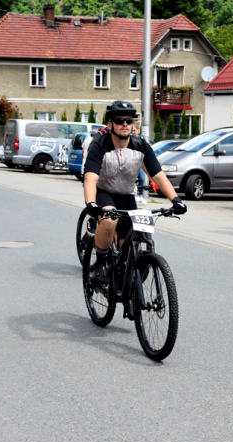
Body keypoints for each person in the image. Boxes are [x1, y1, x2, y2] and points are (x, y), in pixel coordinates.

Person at [83, 100, 186, 297]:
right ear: (110, 124)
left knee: (137, 236)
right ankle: (102, 263)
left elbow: (157, 175)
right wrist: (91, 203)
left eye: (129, 120)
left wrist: (176, 200)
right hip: (103, 191)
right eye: (119, 120)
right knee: (110, 218)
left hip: (127, 195)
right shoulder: (100, 145)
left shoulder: (140, 146)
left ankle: (128, 283)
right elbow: (90, 178)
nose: (125, 124)